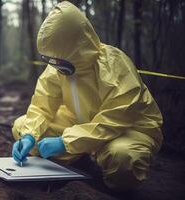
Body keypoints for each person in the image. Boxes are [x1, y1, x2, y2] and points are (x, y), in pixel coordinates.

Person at [12, 1, 163, 191]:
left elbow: (115, 119)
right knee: (21, 127)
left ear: (75, 48)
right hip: (82, 125)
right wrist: (28, 136)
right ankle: (82, 161)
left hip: (128, 130)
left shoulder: (114, 65)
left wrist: (65, 142)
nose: (55, 66)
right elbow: (41, 106)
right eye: (51, 60)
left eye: (59, 60)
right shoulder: (57, 67)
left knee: (123, 158)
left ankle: (110, 185)